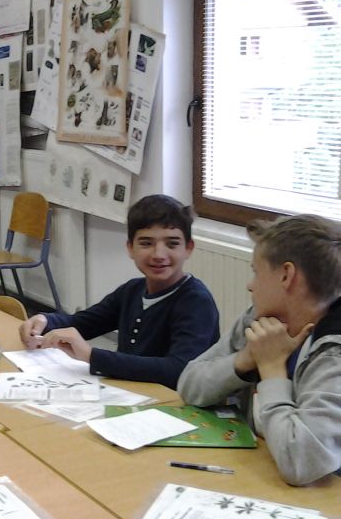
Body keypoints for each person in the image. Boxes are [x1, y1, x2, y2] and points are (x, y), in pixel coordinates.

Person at [178, 214, 341, 485]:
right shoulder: (259, 318)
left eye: (256, 272)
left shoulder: (334, 350)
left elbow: (300, 461)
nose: (250, 285)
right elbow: (189, 385)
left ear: (287, 275)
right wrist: (245, 360)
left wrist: (272, 369)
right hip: (262, 471)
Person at [19, 194, 220, 388]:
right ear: (130, 248)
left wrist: (91, 356)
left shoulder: (196, 301)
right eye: (146, 243)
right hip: (131, 392)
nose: (159, 254)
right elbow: (84, 323)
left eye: (172, 244)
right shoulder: (132, 290)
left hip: (175, 403)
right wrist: (45, 321)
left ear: (188, 248)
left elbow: (179, 370)